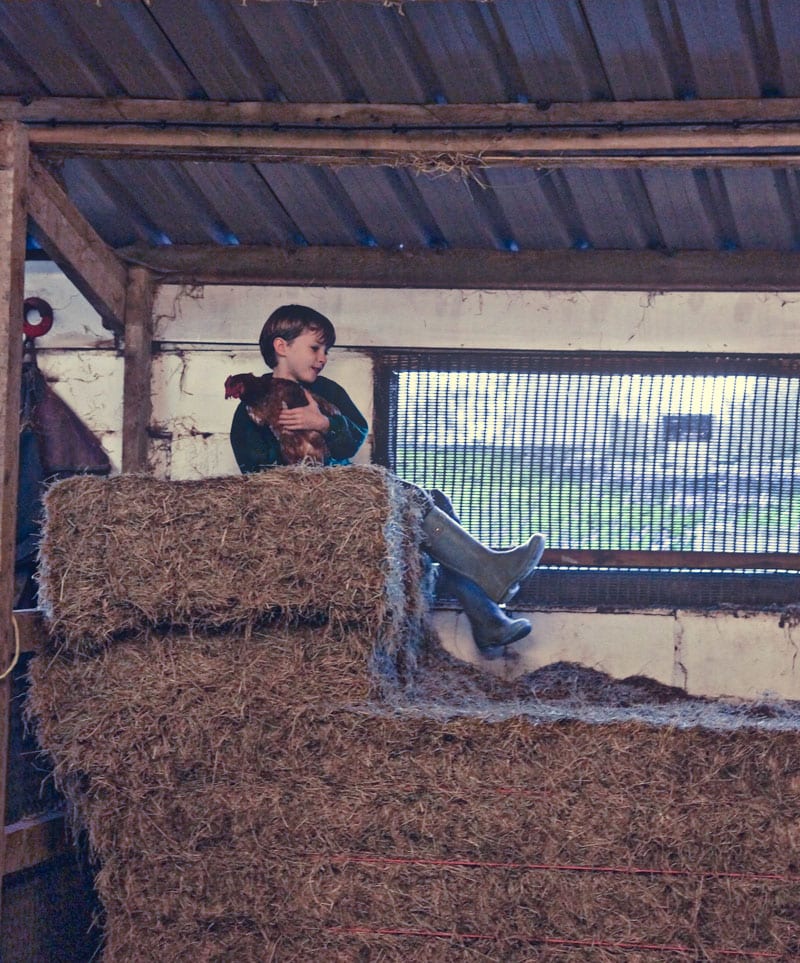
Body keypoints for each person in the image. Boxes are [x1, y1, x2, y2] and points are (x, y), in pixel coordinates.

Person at [229, 304, 546, 652]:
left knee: (433, 500)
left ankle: (489, 616)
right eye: (315, 348)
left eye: (327, 351)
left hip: (341, 486)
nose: (323, 358)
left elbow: (356, 435)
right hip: (313, 504)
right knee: (410, 497)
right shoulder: (252, 404)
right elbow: (258, 476)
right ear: (282, 346)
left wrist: (324, 424)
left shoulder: (328, 391)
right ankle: (490, 593)